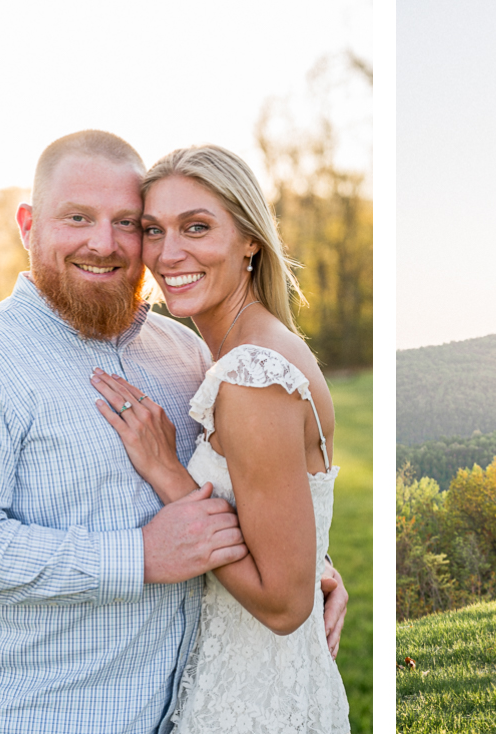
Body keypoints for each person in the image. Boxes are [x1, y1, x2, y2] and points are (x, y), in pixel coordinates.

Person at [0, 130, 348, 734]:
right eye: (77, 218)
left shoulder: (186, 352)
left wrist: (304, 556)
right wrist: (137, 556)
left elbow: (250, 487)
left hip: (185, 712)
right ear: (29, 225)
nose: (103, 243)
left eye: (129, 223)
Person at [87, 143, 349, 732]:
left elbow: (283, 605)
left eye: (197, 227)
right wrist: (319, 562)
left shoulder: (252, 375)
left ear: (250, 238)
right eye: (152, 230)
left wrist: (168, 474)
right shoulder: (236, 348)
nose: (168, 253)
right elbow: (284, 515)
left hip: (255, 702)